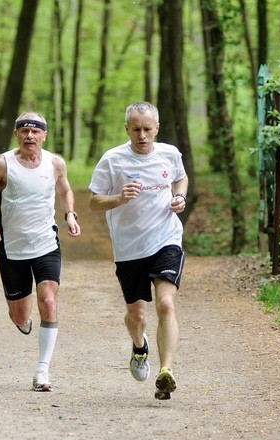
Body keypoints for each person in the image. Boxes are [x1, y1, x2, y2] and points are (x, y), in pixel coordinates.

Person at [0, 112, 81, 392]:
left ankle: (42, 371)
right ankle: (22, 318)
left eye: (35, 131)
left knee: (49, 299)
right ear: (16, 135)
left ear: (44, 135)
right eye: (24, 131)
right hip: (12, 249)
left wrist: (70, 214)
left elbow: (66, 190)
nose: (30, 136)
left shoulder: (55, 163)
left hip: (47, 244)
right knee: (20, 317)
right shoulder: (2, 164)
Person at [88, 101, 188, 400]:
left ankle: (166, 371)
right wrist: (118, 198)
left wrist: (180, 196)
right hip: (129, 248)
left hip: (166, 238)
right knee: (137, 315)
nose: (142, 135)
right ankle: (139, 346)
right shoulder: (112, 159)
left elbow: (180, 178)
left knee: (167, 305)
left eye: (147, 129)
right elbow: (93, 201)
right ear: (127, 129)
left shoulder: (170, 153)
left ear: (157, 128)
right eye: (136, 129)